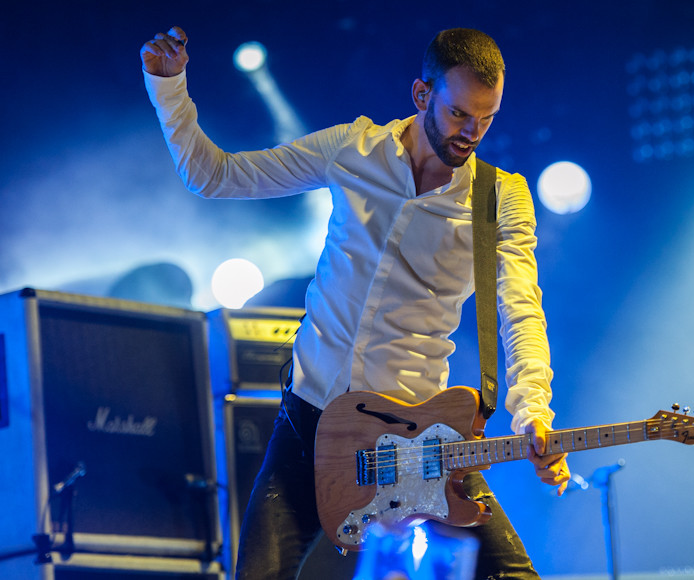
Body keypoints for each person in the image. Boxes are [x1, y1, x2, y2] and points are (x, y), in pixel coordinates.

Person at [141, 25, 571, 579]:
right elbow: (214, 175)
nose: (474, 133)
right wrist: (168, 86)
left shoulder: (499, 196)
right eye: (461, 114)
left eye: (487, 118)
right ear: (422, 96)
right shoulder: (353, 149)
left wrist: (533, 408)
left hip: (416, 436)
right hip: (310, 419)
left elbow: (521, 307)